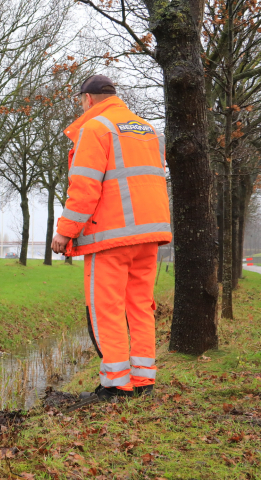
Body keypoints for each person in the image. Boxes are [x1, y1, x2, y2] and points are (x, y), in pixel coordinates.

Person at [51, 75, 172, 401]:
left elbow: (85, 187)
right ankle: (144, 381)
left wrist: (65, 232)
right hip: (149, 235)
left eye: (80, 101)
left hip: (111, 238)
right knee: (140, 307)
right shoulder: (148, 131)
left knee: (106, 309)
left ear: (88, 99)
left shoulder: (96, 129)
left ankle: (116, 384)